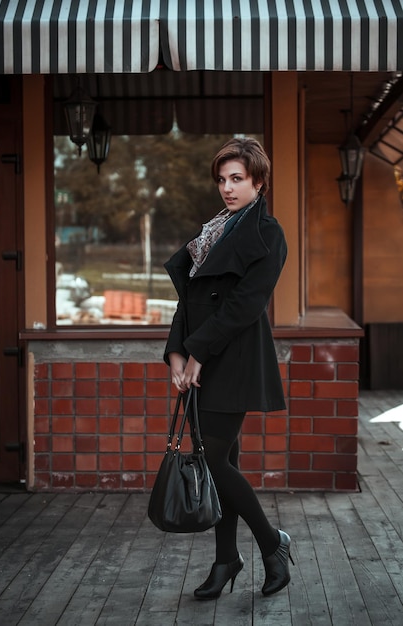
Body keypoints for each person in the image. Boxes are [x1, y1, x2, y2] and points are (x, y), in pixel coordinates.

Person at [163, 137, 291, 600]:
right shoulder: (212, 231)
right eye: (222, 179)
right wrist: (178, 351)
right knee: (223, 463)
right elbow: (191, 300)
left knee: (214, 459)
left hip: (232, 360)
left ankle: (272, 545)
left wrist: (197, 352)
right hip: (201, 358)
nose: (227, 188)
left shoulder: (268, 234)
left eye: (237, 179)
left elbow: (242, 306)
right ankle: (226, 561)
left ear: (259, 181)